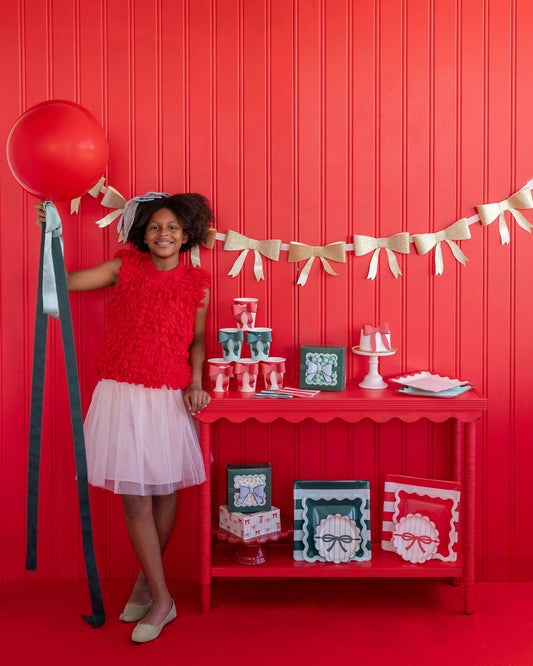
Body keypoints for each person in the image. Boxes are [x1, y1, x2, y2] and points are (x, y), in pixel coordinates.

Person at [36, 192, 214, 643]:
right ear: (142, 233)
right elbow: (64, 281)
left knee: (163, 490)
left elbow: (196, 341)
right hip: (122, 389)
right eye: (155, 226)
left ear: (187, 234)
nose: (163, 234)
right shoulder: (124, 268)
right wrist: (51, 236)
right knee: (134, 498)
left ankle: (146, 585)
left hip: (166, 395)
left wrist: (195, 382)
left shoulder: (198, 285)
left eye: (173, 227)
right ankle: (162, 598)